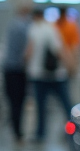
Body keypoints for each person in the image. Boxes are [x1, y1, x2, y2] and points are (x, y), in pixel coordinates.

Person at [24, 7, 71, 143]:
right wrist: (69, 66)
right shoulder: (51, 29)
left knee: (41, 107)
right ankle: (73, 131)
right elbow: (58, 50)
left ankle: (40, 135)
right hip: (56, 75)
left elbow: (28, 52)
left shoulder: (33, 29)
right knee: (66, 105)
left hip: (38, 75)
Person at [3, 1, 33, 142]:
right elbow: (26, 51)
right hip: (18, 70)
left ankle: (15, 130)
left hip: (8, 69)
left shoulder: (11, 25)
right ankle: (17, 133)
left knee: (13, 102)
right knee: (18, 102)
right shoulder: (23, 27)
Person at [55, 6, 80, 79]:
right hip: (62, 58)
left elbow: (75, 46)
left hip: (63, 58)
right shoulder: (70, 26)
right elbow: (75, 47)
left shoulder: (56, 25)